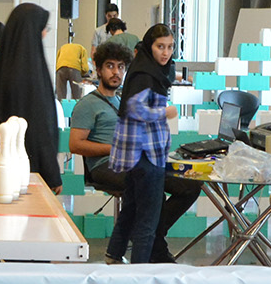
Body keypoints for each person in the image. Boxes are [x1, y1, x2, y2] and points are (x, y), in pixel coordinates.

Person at [69, 41, 197, 265]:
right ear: (98, 69)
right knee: (150, 189)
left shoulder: (123, 100)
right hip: (104, 165)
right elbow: (75, 145)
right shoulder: (87, 105)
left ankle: (153, 236)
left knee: (189, 186)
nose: (116, 72)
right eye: (110, 66)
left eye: (120, 67)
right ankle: (152, 248)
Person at [107, 24, 177, 263]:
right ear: (149, 46)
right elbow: (135, 109)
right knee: (148, 219)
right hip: (147, 154)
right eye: (160, 47)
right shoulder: (147, 74)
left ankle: (113, 254)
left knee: (131, 209)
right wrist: (165, 112)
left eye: (170, 47)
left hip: (139, 154)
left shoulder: (145, 69)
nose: (165, 53)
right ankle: (139, 271)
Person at [0, 2, 61, 194]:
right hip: (30, 170)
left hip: (0, 165)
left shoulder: (2, 67)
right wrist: (52, 172)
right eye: (43, 28)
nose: (45, 34)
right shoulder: (33, 73)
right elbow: (41, 126)